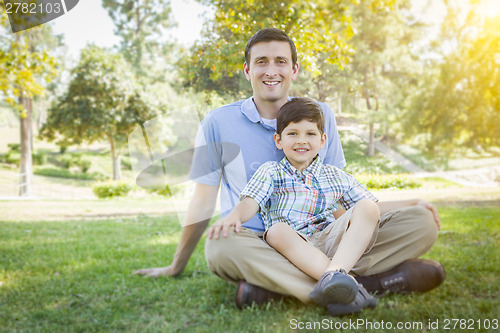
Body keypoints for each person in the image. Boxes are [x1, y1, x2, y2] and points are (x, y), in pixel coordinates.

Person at [135, 28, 445, 314]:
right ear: (247, 70)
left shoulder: (320, 114)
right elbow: (203, 201)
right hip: (260, 243)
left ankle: (287, 288)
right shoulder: (217, 123)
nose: (271, 71)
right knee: (220, 245)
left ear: (293, 70)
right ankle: (362, 285)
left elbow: (339, 200)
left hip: (326, 236)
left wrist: (411, 204)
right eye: (261, 62)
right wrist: (176, 265)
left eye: (281, 61)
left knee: (421, 222)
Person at [207, 97, 383, 313]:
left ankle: (334, 274)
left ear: (322, 140)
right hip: (290, 247)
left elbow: (372, 208)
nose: (302, 140)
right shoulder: (271, 171)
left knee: (368, 207)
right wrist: (235, 215)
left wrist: (414, 202)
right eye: (293, 133)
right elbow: (250, 202)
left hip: (332, 242)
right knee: (276, 231)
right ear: (279, 140)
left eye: (310, 134)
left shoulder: (336, 176)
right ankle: (354, 286)